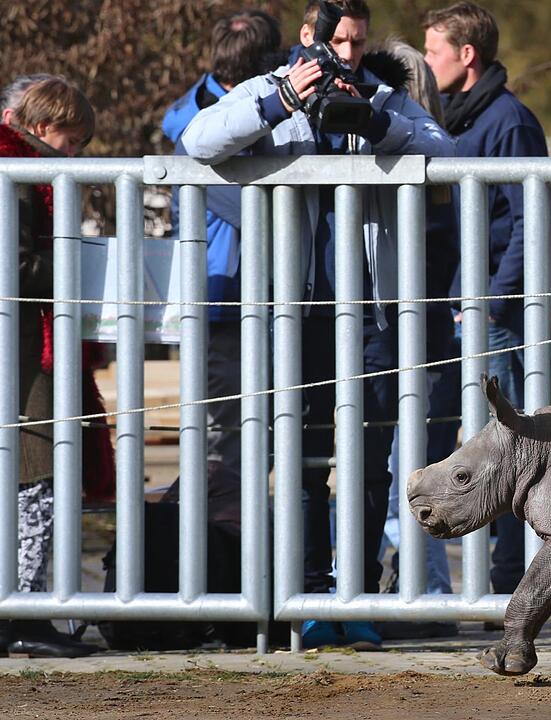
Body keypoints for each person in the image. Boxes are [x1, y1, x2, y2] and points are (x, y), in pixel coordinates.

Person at [182, 0, 455, 650]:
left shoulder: (380, 91)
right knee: (302, 462)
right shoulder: (270, 85)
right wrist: (280, 99)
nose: (351, 54)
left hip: (372, 315)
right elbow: (197, 139)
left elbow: (443, 147)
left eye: (360, 42)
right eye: (340, 41)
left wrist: (379, 120)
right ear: (309, 37)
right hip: (299, 310)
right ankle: (305, 594)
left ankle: (354, 594)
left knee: (370, 462)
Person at [422, 1, 548, 601]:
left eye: (433, 51)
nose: (427, 62)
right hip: (455, 308)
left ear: (466, 56)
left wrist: (496, 300)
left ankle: (508, 582)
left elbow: (528, 219)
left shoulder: (508, 121)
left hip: (491, 314)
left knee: (507, 450)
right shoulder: (454, 119)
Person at [160, 10, 284, 530]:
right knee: (226, 435)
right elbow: (261, 206)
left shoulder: (213, 108)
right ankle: (218, 552)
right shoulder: (196, 126)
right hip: (221, 302)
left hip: (268, 297)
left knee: (266, 434)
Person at [0, 75, 110, 658]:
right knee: (35, 481)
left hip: (25, 347)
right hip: (25, 353)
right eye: (71, 140)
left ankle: (24, 606)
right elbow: (17, 266)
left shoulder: (26, 171)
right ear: (42, 128)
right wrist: (80, 266)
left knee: (29, 483)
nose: (75, 153)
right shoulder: (20, 179)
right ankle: (26, 609)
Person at [374, 36, 459, 640]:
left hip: (424, 335)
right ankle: (414, 588)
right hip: (406, 331)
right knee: (399, 465)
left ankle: (425, 592)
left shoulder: (435, 168)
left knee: (413, 466)